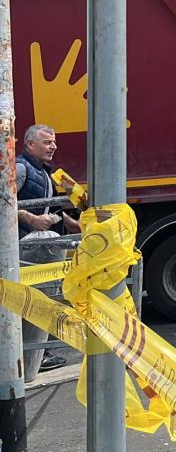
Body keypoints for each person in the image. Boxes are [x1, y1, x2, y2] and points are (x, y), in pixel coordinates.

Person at [16, 124, 81, 374]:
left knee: (41, 297)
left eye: (54, 142)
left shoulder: (43, 171)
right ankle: (30, 354)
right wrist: (31, 220)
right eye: (47, 142)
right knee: (31, 299)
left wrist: (71, 223)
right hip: (23, 251)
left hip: (36, 248)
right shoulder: (21, 169)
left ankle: (38, 352)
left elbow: (48, 208)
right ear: (30, 144)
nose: (53, 146)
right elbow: (5, 203)